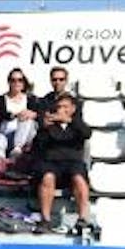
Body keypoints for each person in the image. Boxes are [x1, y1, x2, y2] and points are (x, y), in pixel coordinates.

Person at [33, 94, 93, 235]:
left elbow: (87, 133)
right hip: (52, 163)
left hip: (73, 164)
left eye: (65, 107)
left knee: (79, 178)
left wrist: (69, 121)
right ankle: (46, 219)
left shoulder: (77, 124)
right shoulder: (49, 125)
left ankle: (82, 218)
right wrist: (44, 128)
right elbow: (39, 145)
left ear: (72, 109)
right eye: (59, 107)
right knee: (47, 177)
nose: (61, 110)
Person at [0, 68, 38, 178]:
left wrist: (32, 114)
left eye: (20, 80)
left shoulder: (31, 99)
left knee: (26, 118)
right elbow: (2, 114)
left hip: (25, 137)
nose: (16, 83)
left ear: (24, 82)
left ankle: (16, 151)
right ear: (9, 82)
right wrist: (17, 114)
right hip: (6, 134)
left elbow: (38, 114)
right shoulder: (1, 99)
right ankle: (2, 168)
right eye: (13, 80)